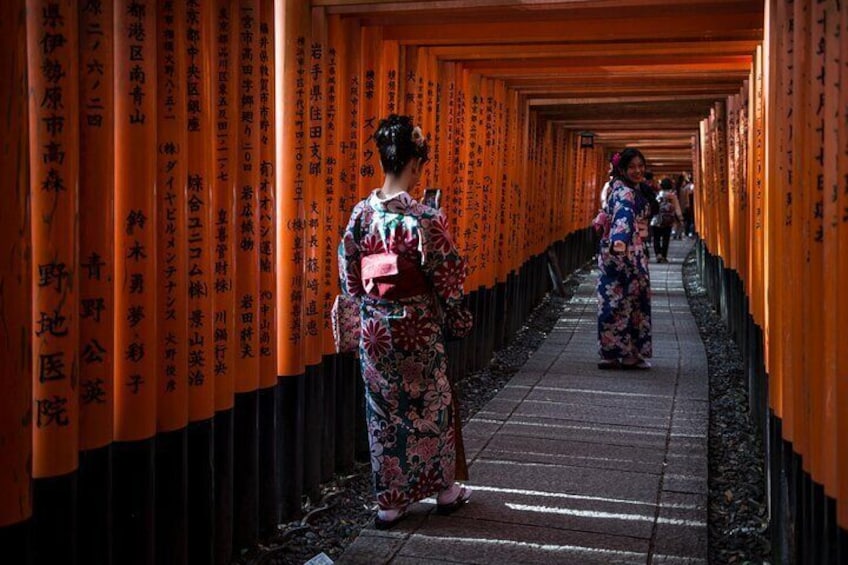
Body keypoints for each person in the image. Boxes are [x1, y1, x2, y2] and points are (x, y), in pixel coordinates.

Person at [337, 114, 473, 529]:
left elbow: (348, 273)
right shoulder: (425, 218)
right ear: (416, 164)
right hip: (418, 326)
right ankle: (444, 489)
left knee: (383, 411)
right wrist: (458, 316)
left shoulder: (361, 215)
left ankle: (390, 502)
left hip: (376, 330)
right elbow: (449, 274)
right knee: (431, 403)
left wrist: (362, 315)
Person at [596, 148, 653, 370]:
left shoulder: (622, 188)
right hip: (626, 250)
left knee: (613, 301)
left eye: (641, 166)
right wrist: (620, 240)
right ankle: (629, 353)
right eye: (632, 167)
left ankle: (611, 352)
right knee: (629, 301)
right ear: (622, 169)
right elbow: (623, 215)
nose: (638, 171)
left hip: (618, 251)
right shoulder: (624, 192)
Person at [651, 178, 683, 263]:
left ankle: (658, 254)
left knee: (656, 238)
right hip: (668, 221)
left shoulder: (658, 195)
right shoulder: (672, 196)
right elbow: (677, 207)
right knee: (666, 239)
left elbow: (653, 207)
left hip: (657, 220)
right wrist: (680, 218)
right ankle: (664, 256)